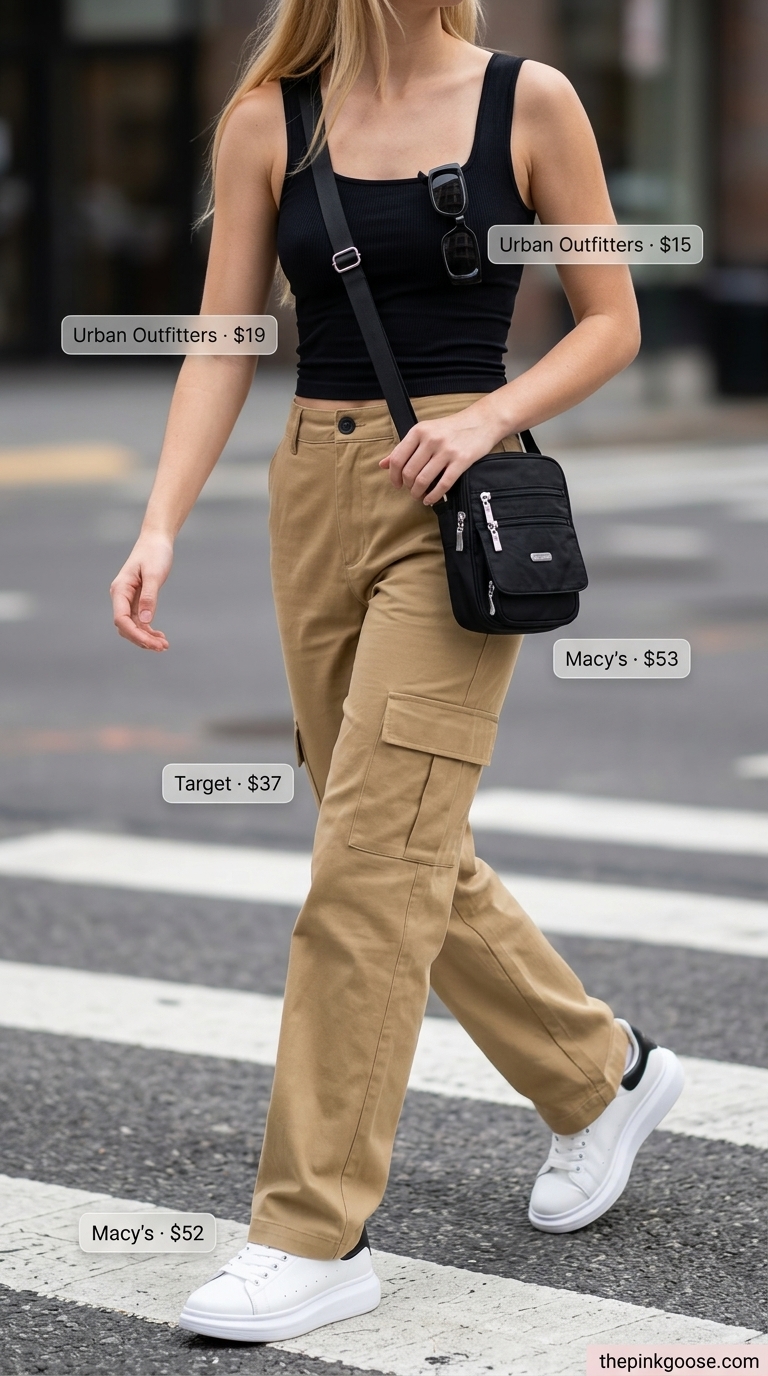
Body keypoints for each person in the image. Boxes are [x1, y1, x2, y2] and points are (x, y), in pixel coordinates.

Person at [109, 0, 684, 1346]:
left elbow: (611, 319)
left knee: (369, 858)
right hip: (312, 491)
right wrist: (158, 523)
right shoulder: (270, 120)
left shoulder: (528, 101)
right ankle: (604, 1077)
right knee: (397, 833)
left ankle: (312, 1233)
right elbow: (223, 339)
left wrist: (489, 418)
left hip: (458, 499)